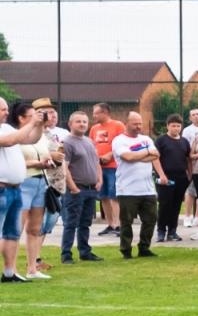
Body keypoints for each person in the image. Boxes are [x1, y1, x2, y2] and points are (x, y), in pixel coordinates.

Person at [0, 97, 46, 283]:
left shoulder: (7, 127)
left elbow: (30, 138)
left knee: (12, 233)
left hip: (15, 188)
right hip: (1, 189)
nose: (6, 112)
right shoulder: (8, 133)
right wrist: (33, 122)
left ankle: (9, 272)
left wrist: (39, 125)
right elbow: (11, 141)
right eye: (2, 109)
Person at [112, 110, 168, 259]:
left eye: (140, 123)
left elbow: (156, 155)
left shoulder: (146, 139)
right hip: (127, 189)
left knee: (151, 219)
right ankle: (126, 249)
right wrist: (146, 153)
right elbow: (128, 157)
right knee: (126, 222)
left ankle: (144, 247)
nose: (138, 126)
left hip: (147, 189)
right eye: (135, 124)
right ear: (126, 124)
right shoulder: (119, 141)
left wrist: (160, 172)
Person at [17, 100, 59, 280]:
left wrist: (48, 161)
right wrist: (37, 163)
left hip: (41, 181)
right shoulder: (15, 136)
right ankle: (11, 269)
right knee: (16, 227)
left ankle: (32, 268)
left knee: (35, 227)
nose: (37, 118)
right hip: (24, 182)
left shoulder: (39, 136)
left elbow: (45, 154)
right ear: (21, 118)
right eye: (32, 115)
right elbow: (14, 162)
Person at [58, 110, 103, 263]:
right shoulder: (67, 143)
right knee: (71, 223)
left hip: (91, 189)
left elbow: (96, 162)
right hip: (76, 189)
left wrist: (99, 179)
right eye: (78, 121)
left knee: (85, 223)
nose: (82, 124)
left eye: (85, 121)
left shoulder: (89, 141)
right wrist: (73, 187)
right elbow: (64, 167)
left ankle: (85, 252)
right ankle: (66, 254)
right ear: (70, 124)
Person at [153, 114, 192, 243]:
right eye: (173, 126)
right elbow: (155, 158)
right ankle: (161, 231)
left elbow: (188, 159)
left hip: (181, 177)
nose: (176, 128)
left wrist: (190, 174)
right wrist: (161, 174)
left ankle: (172, 231)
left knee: (176, 205)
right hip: (165, 178)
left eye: (178, 126)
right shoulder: (161, 140)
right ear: (168, 126)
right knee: (165, 205)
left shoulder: (184, 142)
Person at [89, 103, 125, 235]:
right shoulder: (94, 129)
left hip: (113, 166)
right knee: (103, 196)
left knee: (114, 195)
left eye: (96, 113)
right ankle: (110, 224)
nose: (94, 116)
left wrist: (110, 155)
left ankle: (118, 225)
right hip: (99, 167)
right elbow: (91, 145)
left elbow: (123, 143)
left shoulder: (118, 125)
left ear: (104, 112)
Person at [181, 108, 198, 227]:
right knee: (190, 191)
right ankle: (187, 216)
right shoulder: (187, 130)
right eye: (193, 115)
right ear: (190, 118)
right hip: (192, 162)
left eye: (197, 114)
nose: (196, 116)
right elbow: (185, 148)